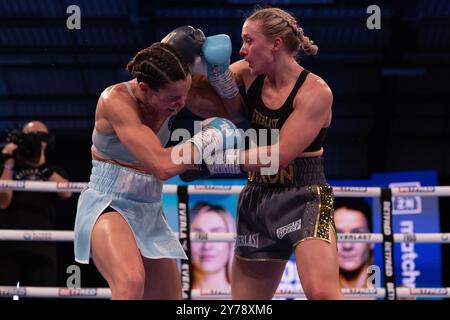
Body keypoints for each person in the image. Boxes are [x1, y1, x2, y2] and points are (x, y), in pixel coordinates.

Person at [186, 7, 345, 299]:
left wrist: (214, 162)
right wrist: (188, 69)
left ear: (276, 44)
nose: (242, 50)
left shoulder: (315, 92)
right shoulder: (247, 73)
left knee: (323, 295)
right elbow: (198, 100)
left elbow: (281, 154)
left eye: (248, 41)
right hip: (257, 197)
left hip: (304, 196)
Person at [73, 34, 242, 300]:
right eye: (174, 98)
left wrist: (220, 76)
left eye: (184, 95)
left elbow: (231, 116)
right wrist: (208, 137)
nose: (181, 104)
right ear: (144, 89)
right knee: (130, 282)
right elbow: (162, 166)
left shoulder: (171, 92)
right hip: (109, 203)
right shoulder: (116, 101)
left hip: (149, 206)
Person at [0, 121, 72, 288]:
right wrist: (8, 161)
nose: (36, 141)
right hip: (6, 244)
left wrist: (42, 166)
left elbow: (67, 193)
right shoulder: (7, 167)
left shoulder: (54, 170)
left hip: (42, 245)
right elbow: (3, 201)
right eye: (31, 136)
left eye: (41, 137)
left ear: (47, 142)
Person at [190, 202, 235, 291]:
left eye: (216, 235)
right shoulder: (171, 294)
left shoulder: (253, 295)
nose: (207, 246)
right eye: (198, 235)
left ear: (231, 244)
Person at [334, 198, 374, 289]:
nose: (347, 245)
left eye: (357, 234)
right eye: (338, 235)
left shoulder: (397, 293)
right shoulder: (306, 293)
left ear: (372, 241)